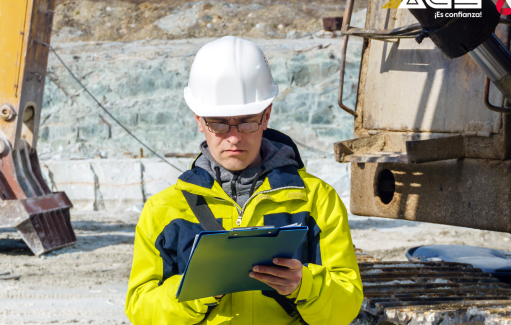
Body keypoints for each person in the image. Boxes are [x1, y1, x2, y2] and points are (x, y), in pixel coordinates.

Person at [126, 36, 362, 325]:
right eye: (218, 123)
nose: (234, 137)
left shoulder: (317, 200)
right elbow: (141, 309)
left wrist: (305, 285)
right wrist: (195, 290)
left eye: (247, 121)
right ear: (199, 120)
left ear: (266, 116)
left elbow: (346, 305)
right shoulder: (163, 210)